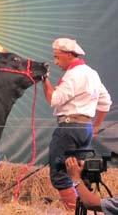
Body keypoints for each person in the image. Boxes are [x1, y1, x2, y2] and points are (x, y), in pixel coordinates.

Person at [42, 37, 112, 210]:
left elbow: (53, 99)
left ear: (68, 54)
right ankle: (80, 209)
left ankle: (73, 210)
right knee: (77, 171)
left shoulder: (73, 75)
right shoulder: (91, 73)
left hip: (69, 127)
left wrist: (44, 79)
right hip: (85, 128)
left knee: (60, 173)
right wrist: (95, 127)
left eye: (57, 57)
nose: (55, 61)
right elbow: (106, 103)